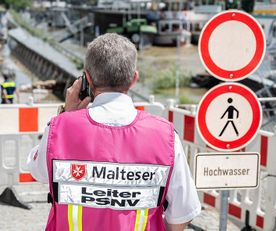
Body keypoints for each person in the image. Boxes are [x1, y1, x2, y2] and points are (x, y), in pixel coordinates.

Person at [27, 33, 201, 231]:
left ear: (88, 79)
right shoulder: (166, 137)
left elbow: (38, 171)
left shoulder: (59, 129)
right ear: (134, 78)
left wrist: (66, 114)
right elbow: (181, 214)